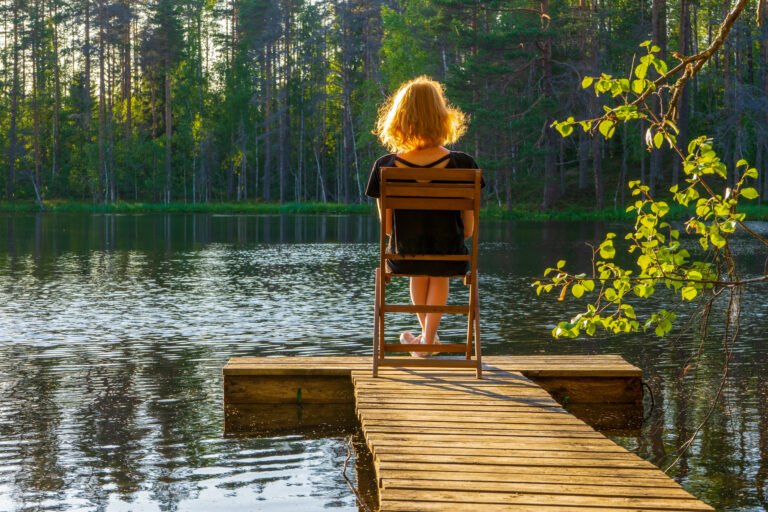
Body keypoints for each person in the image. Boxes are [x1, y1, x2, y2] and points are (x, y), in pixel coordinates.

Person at [365, 76, 481, 357]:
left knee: (418, 270)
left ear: (400, 118)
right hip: (450, 251)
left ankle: (426, 342)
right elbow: (468, 228)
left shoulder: (385, 166)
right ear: (442, 116)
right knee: (437, 269)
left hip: (406, 251)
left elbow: (389, 228)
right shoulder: (463, 164)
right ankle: (428, 340)